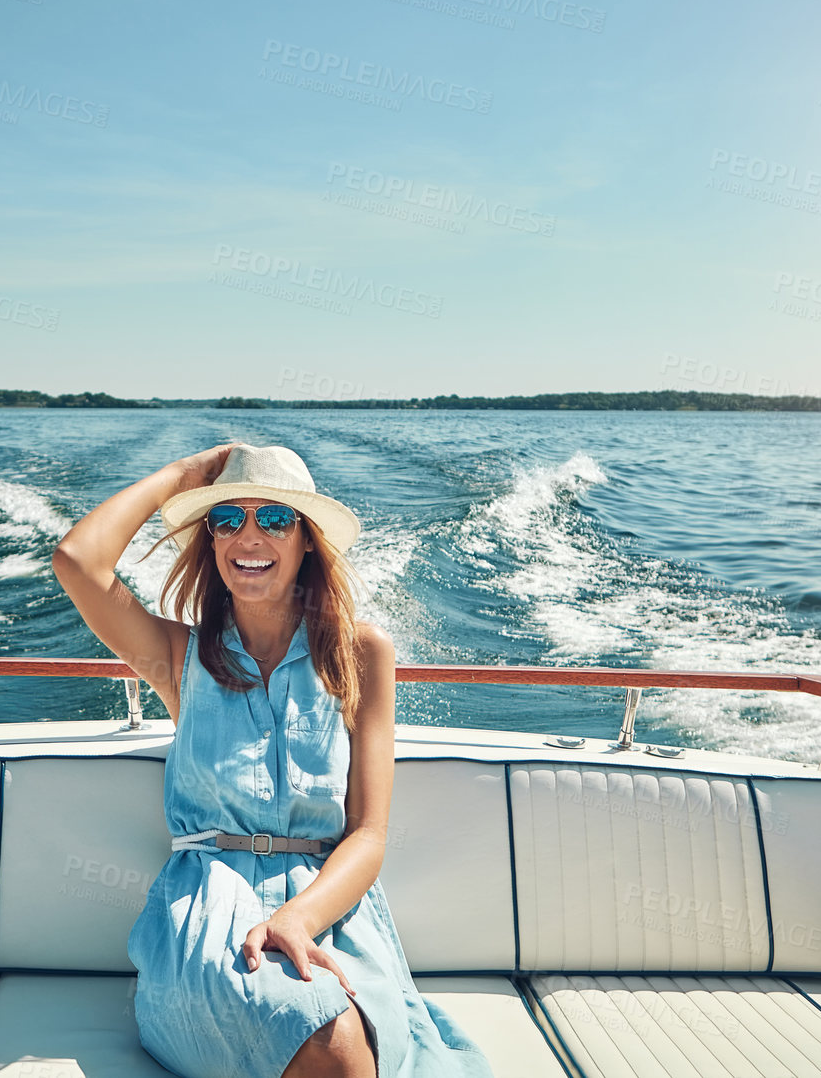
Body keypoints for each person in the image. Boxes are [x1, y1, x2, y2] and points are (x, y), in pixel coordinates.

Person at [51, 442, 495, 1078]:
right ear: (210, 540)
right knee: (332, 1046)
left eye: (275, 519)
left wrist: (299, 917)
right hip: (207, 902)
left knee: (352, 1042)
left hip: (328, 905)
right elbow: (77, 561)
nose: (248, 536)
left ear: (307, 539)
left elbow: (368, 834)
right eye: (227, 519)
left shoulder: (361, 654)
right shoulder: (180, 659)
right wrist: (181, 477)